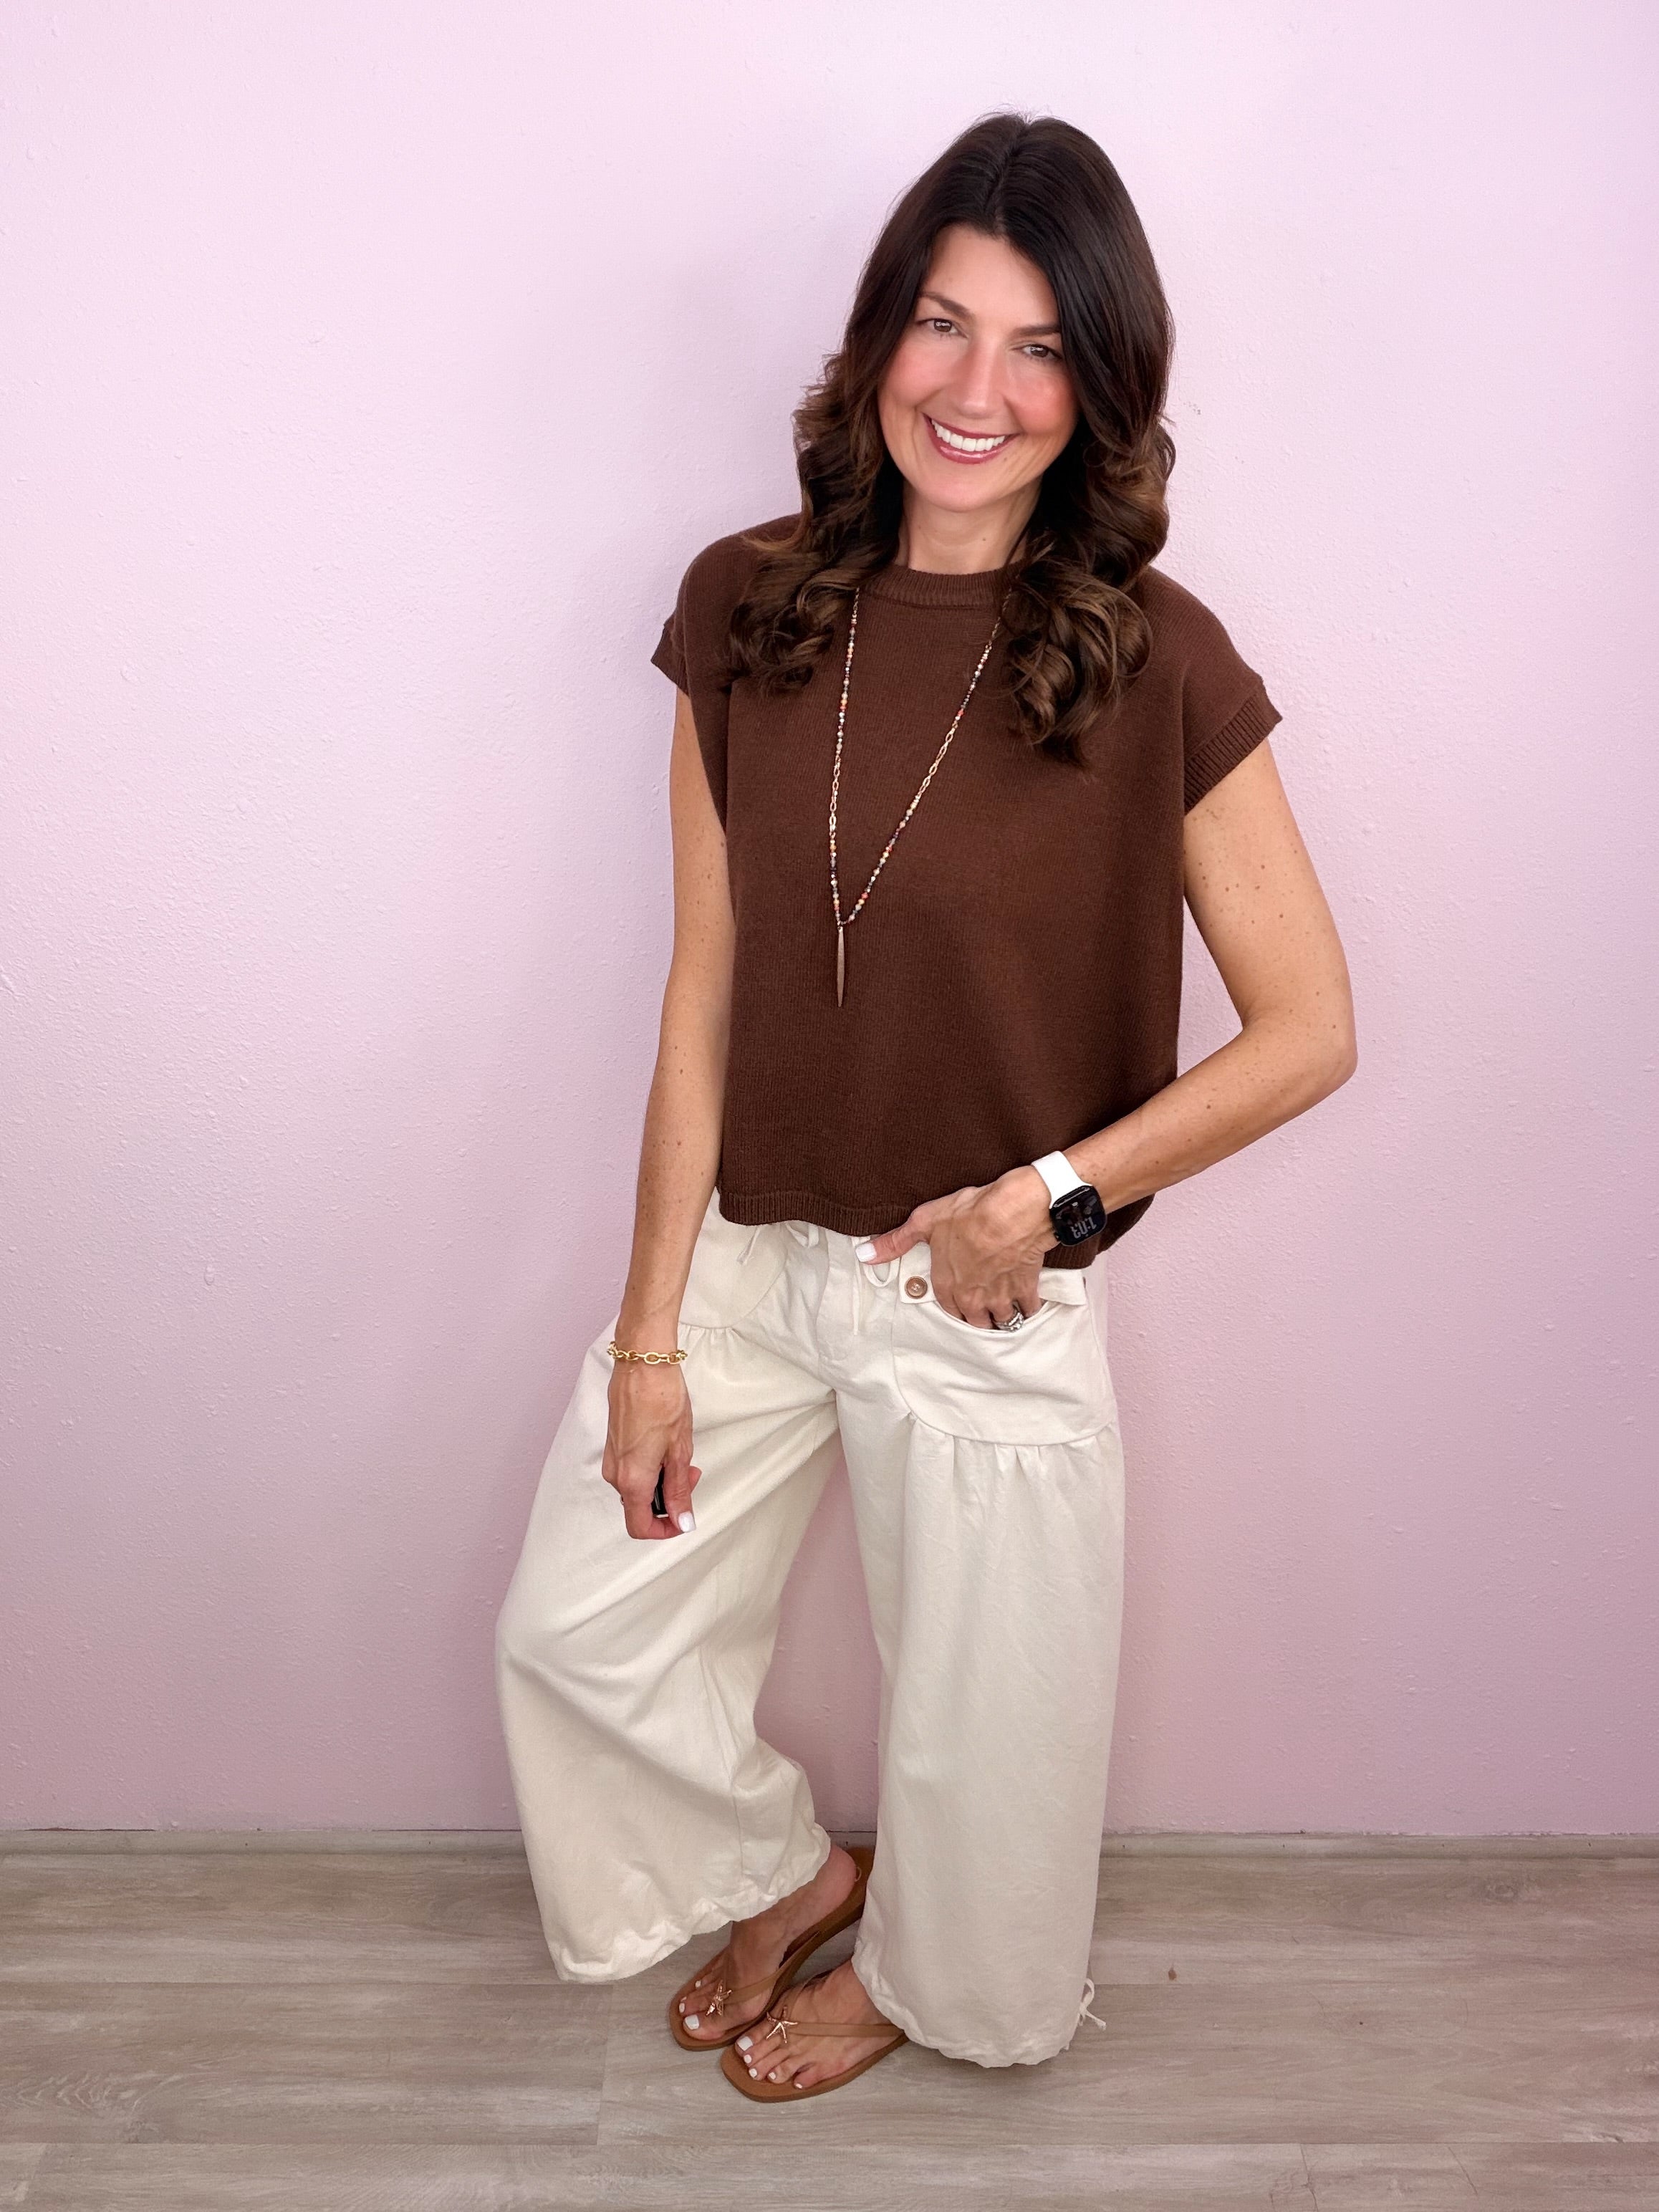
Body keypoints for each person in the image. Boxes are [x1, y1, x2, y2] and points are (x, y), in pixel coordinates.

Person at [495, 110, 1356, 2101]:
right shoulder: (746, 604)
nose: (978, 389)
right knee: (577, 1631)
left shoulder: (1152, 660)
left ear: (1099, 386)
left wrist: (1044, 1197)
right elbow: (703, 987)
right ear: (880, 332)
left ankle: (928, 1979)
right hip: (744, 1256)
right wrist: (648, 1335)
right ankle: (791, 1874)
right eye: (945, 325)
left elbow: (1309, 1027)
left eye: (1041, 347)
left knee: (993, 1729)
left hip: (978, 1282)